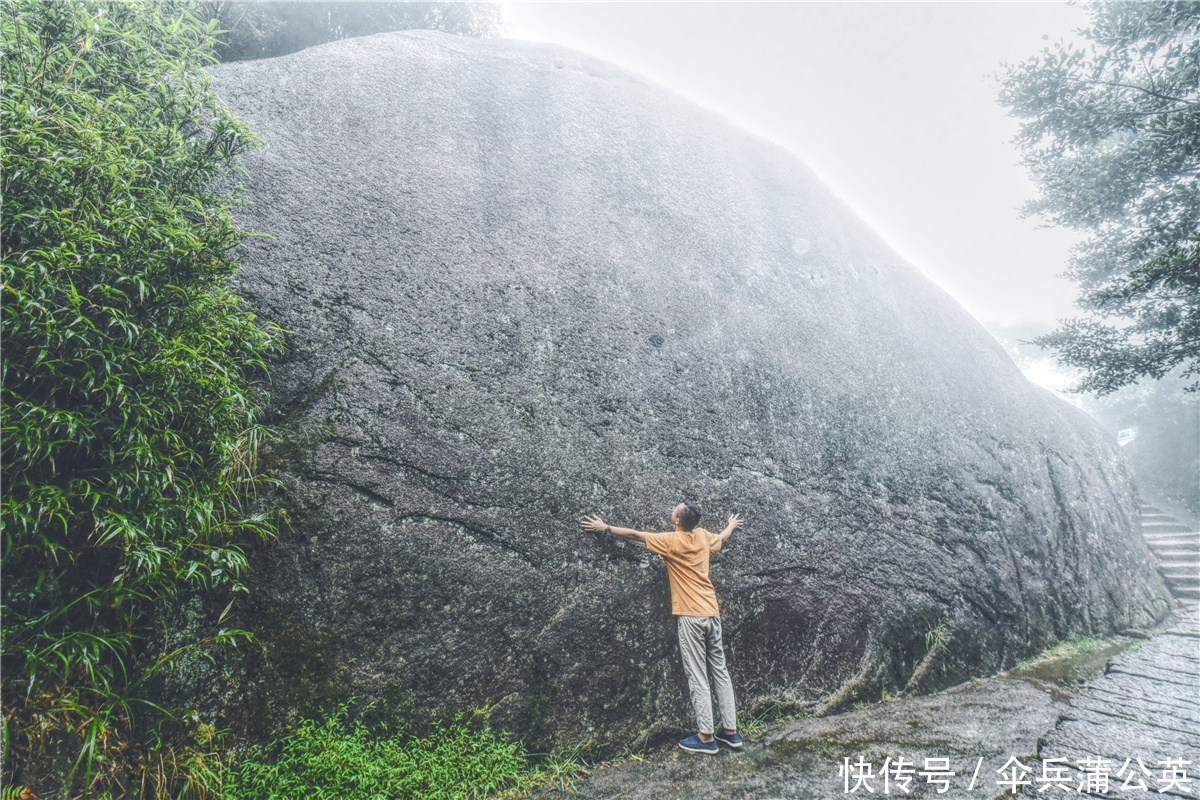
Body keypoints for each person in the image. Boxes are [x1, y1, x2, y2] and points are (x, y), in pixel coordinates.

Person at [581, 502, 743, 755]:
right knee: (720, 670)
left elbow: (636, 535)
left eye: (675, 510)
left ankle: (706, 737)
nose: (672, 510)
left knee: (698, 674)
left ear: (677, 520)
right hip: (712, 612)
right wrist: (731, 525)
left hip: (691, 615)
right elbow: (721, 538)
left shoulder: (670, 541)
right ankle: (731, 733)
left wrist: (606, 528)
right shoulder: (702, 536)